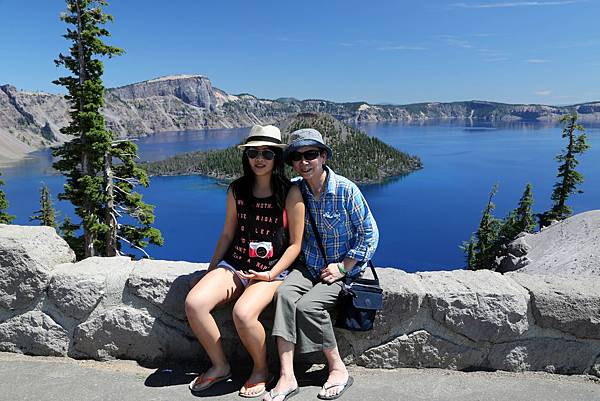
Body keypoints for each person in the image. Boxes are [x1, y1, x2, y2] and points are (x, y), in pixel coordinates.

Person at [185, 125, 305, 397]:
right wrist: (212, 268)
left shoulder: (290, 193)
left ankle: (261, 370)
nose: (259, 159)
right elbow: (228, 232)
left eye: (266, 153)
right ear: (246, 156)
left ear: (276, 157)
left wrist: (271, 273)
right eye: (253, 152)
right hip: (236, 264)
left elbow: (296, 244)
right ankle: (220, 365)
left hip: (273, 270)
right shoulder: (236, 189)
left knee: (243, 313)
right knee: (195, 303)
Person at [265, 128, 379, 401]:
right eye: (297, 156)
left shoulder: (345, 190)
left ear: (323, 156)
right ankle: (287, 376)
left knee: (308, 306)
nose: (304, 162)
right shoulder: (296, 188)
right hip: (308, 266)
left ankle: (337, 369)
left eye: (311, 154)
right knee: (283, 295)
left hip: (341, 271)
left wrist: (343, 266)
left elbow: (370, 234)